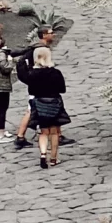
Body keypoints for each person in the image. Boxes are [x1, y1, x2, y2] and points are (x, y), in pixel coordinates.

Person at [19, 39, 67, 167]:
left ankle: (43, 154)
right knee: (54, 132)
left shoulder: (32, 74)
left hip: (39, 104)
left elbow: (31, 90)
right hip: (54, 103)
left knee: (43, 131)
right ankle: (53, 158)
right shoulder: (56, 73)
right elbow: (62, 89)